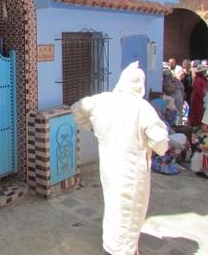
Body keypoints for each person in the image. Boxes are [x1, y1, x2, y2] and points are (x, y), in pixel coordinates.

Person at [71, 62, 169, 255]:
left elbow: (77, 108)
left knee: (113, 207)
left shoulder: (102, 100)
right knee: (129, 211)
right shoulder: (142, 108)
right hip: (131, 170)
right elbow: (161, 141)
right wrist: (153, 148)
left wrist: (91, 127)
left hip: (109, 167)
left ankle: (111, 245)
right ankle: (120, 251)